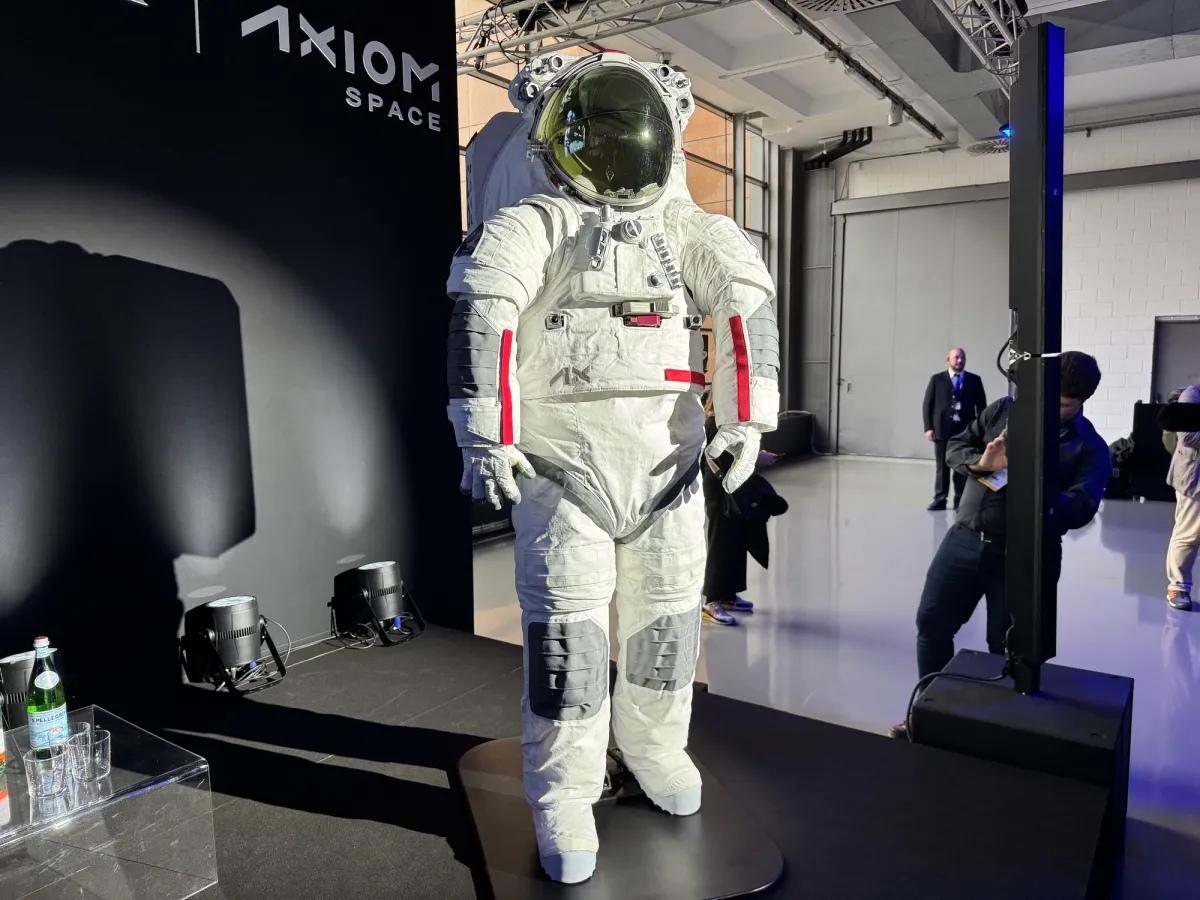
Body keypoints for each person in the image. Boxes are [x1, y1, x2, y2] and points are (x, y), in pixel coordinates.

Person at [446, 51, 779, 883]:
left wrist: (747, 419)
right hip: (566, 466)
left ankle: (653, 747)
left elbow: (745, 309)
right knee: (570, 643)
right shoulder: (535, 222)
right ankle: (564, 790)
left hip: (668, 463)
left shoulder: (686, 226)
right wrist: (486, 435)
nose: (617, 156)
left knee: (666, 628)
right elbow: (485, 315)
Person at [891, 351, 1109, 738]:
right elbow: (956, 446)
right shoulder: (1003, 411)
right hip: (965, 539)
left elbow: (1082, 508)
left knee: (1008, 649)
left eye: (1062, 405)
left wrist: (1032, 485)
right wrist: (983, 463)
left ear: (1082, 402)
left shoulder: (1090, 447)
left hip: (1026, 557)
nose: (1049, 409)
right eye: (1046, 397)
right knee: (932, 623)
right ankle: (926, 713)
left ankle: (996, 731)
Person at [700, 394, 787, 625]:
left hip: (733, 484)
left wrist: (757, 456)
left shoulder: (733, 423)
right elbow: (715, 458)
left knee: (736, 540)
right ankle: (712, 602)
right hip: (720, 488)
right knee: (720, 542)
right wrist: (755, 459)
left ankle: (728, 595)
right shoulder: (715, 424)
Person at [923, 347, 987, 511]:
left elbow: (982, 407)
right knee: (942, 466)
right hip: (942, 430)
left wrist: (980, 430)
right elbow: (927, 405)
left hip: (965, 431)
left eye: (962, 358)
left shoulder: (974, 380)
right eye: (956, 357)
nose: (960, 360)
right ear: (948, 360)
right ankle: (940, 499)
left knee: (962, 466)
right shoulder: (937, 379)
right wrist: (928, 427)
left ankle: (960, 501)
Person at [1164, 384, 1200, 610]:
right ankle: (1177, 587)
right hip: (1194, 481)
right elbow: (1187, 436)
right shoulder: (1193, 395)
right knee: (1189, 534)